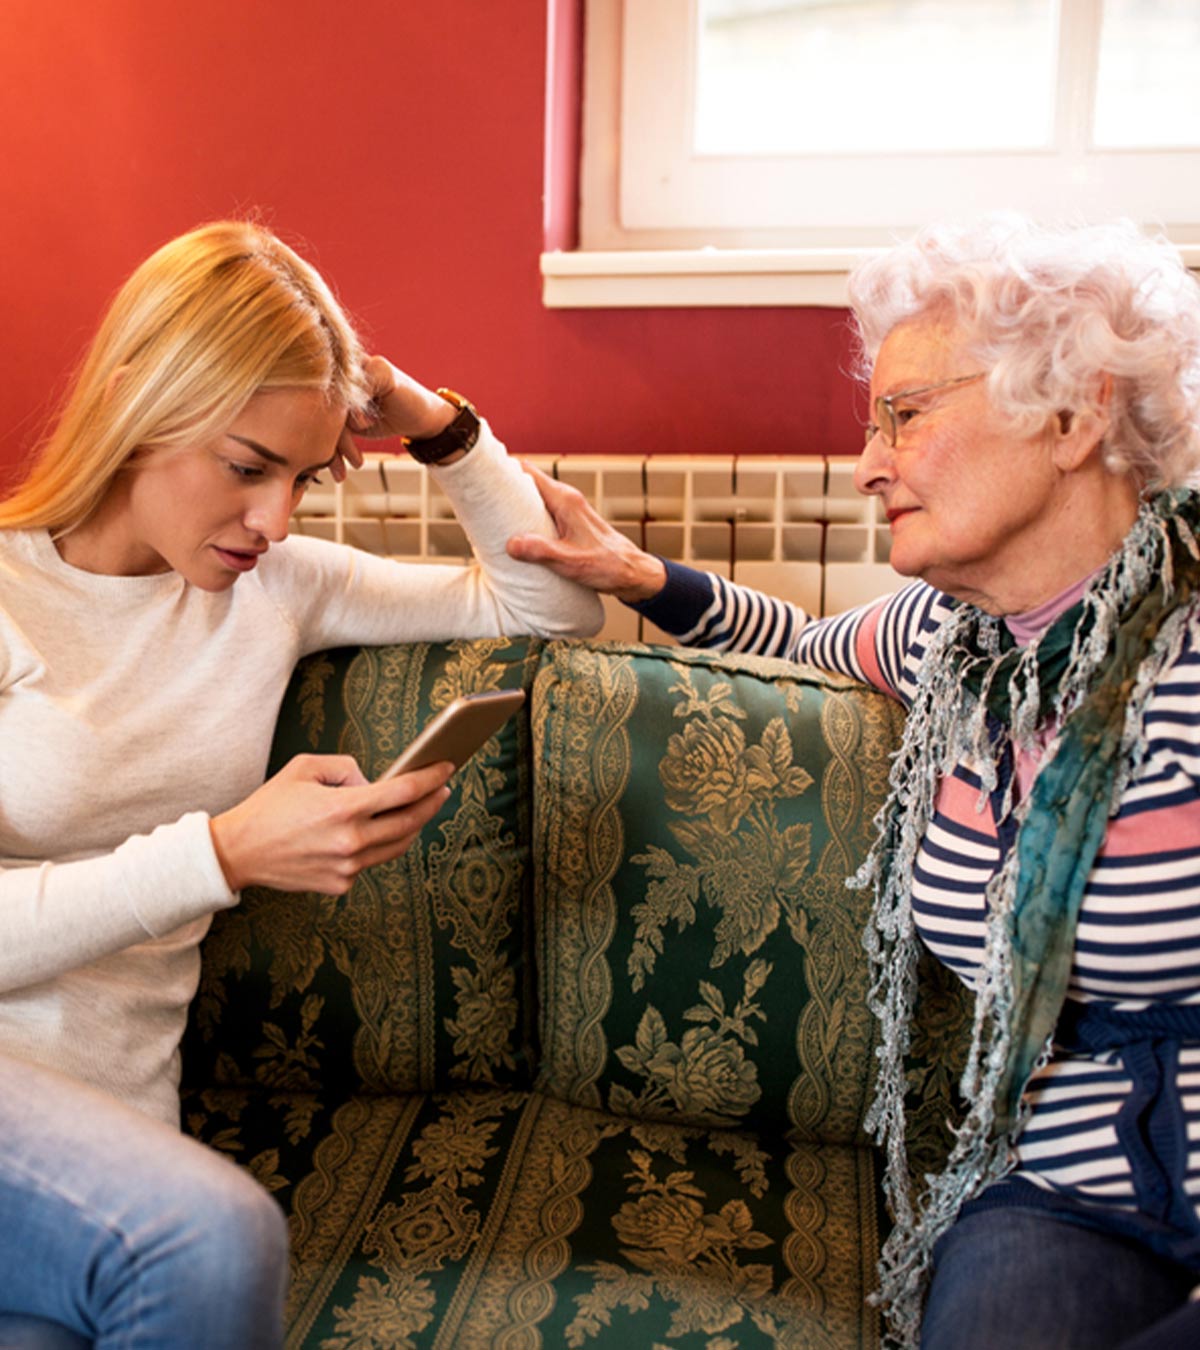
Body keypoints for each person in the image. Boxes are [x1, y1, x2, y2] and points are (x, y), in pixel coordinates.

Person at [507, 215, 1200, 1350]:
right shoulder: (949, 636)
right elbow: (800, 642)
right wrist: (635, 573)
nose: (870, 462)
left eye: (906, 415)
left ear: (1074, 418)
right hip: (1073, 1197)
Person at [0, 219, 602, 1347]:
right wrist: (220, 855)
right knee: (212, 1243)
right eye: (245, 466)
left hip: (107, 1161)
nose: (274, 520)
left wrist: (436, 425)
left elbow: (552, 607)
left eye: (305, 475)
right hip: (113, 1186)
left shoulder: (274, 590)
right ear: (138, 401)